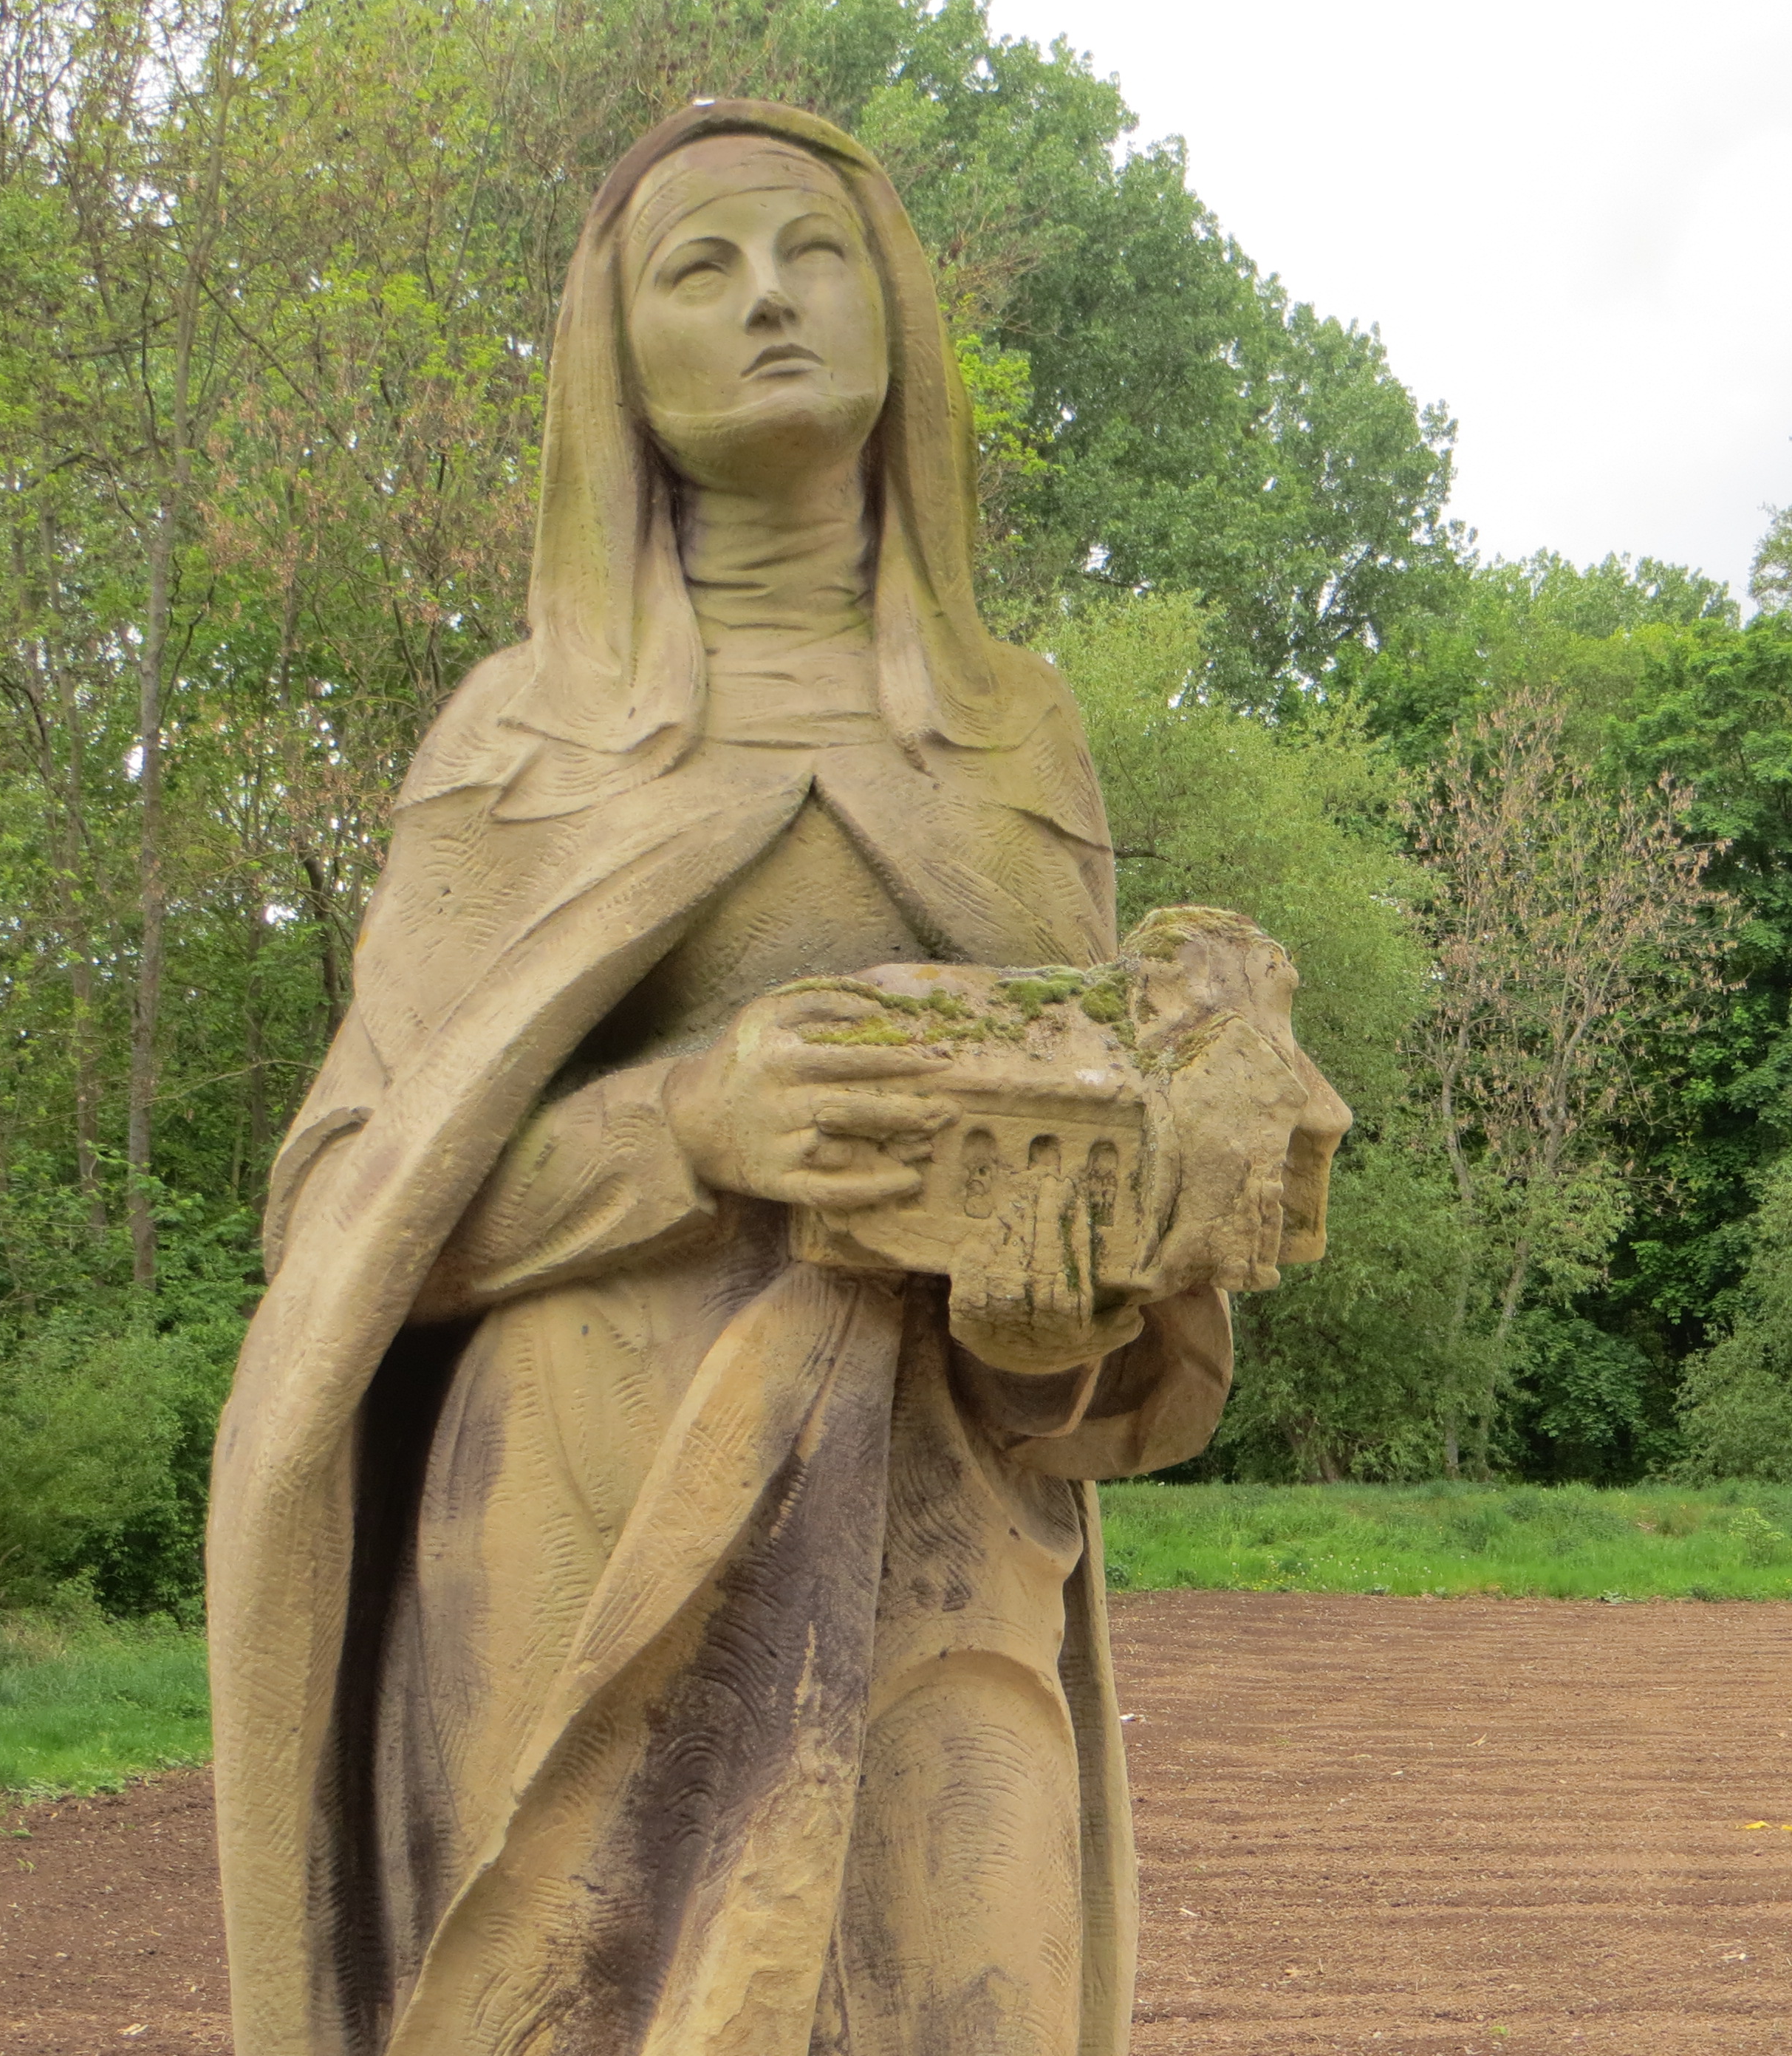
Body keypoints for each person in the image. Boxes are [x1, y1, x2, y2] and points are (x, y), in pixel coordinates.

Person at [206, 102, 1242, 2056]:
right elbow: (345, 1219)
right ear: (617, 356)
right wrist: (695, 1128)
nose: (769, 297)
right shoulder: (521, 744)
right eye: (704, 267)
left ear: (895, 314)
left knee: (967, 1998)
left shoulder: (1016, 736)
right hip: (577, 1520)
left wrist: (1050, 1327)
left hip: (935, 1528)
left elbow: (1094, 1232)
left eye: (811, 251)